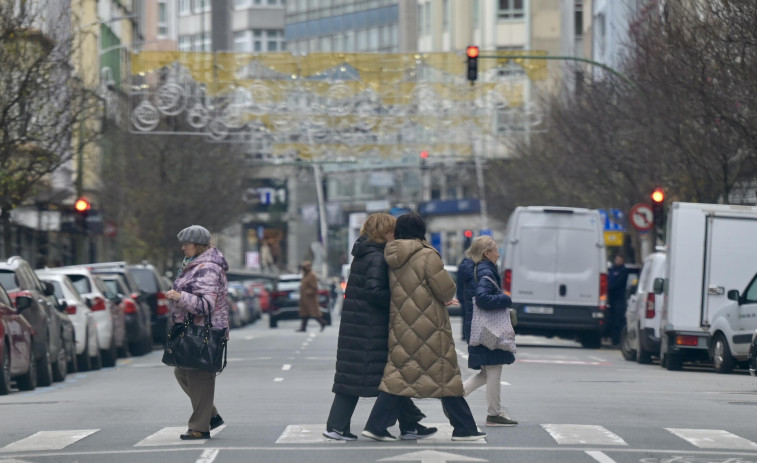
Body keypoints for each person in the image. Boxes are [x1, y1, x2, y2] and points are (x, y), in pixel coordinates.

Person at [362, 213, 486, 442]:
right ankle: (465, 429)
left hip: (401, 325)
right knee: (445, 376)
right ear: (420, 230)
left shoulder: (391, 254)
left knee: (399, 375)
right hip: (429, 325)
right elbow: (446, 289)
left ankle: (376, 425)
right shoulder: (426, 255)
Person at [324, 212, 436, 441]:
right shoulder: (376, 257)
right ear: (384, 232)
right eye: (392, 231)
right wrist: (399, 298)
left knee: (380, 376)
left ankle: (409, 425)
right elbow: (374, 292)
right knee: (382, 377)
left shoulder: (364, 253)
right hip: (370, 328)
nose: (395, 235)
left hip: (360, 326)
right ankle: (338, 427)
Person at [166, 225, 229, 440]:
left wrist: (178, 297)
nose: (183, 247)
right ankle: (210, 415)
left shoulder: (208, 268)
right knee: (183, 372)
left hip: (204, 331)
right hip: (192, 329)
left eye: (186, 244)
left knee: (200, 377)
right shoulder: (194, 265)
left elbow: (205, 305)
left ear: (198, 245)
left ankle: (199, 427)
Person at [461, 236, 518, 427]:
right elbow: (483, 298)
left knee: (485, 372)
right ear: (487, 253)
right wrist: (506, 299)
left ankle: (454, 398)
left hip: (478, 326)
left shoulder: (474, 268)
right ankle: (493, 414)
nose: (498, 253)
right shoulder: (486, 271)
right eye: (495, 250)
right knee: (494, 369)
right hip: (489, 329)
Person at [296, 261, 327, 332]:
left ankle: (322, 323)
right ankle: (303, 327)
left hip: (310, 299)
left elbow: (314, 287)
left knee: (314, 314)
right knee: (304, 314)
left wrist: (308, 292)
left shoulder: (312, 275)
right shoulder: (305, 275)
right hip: (304, 298)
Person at [607, 254, 630, 345]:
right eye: (617, 260)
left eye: (620, 260)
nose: (618, 262)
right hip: (611, 298)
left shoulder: (623, 271)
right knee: (612, 319)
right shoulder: (612, 270)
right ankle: (612, 339)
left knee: (618, 320)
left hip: (619, 299)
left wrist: (608, 288)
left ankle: (617, 340)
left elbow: (619, 284)